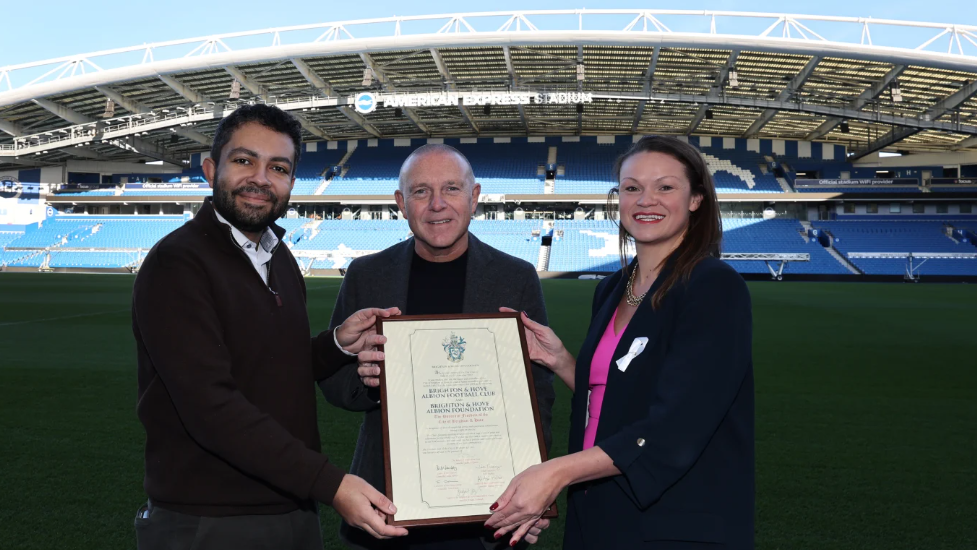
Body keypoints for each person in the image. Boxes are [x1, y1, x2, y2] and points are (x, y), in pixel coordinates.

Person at [131, 104, 408, 550]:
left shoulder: (277, 255)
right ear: (210, 169)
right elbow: (212, 408)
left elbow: (271, 364)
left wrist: (337, 344)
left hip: (289, 506)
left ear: (291, 182)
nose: (261, 178)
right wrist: (332, 483)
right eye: (244, 161)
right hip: (212, 519)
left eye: (278, 167)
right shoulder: (178, 263)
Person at [484, 136, 755, 549]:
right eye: (632, 188)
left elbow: (677, 427)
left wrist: (556, 472)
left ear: (696, 199)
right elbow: (621, 398)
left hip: (673, 521)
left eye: (665, 187)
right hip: (597, 510)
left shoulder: (713, 286)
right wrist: (562, 362)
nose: (646, 200)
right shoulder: (613, 289)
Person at [319, 144, 555, 549]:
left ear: (475, 197)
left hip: (486, 502)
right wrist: (370, 380)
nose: (437, 205)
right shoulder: (367, 274)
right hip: (387, 499)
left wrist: (534, 490)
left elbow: (538, 395)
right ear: (401, 202)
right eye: (421, 191)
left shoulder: (515, 278)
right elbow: (335, 380)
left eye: (451, 189)